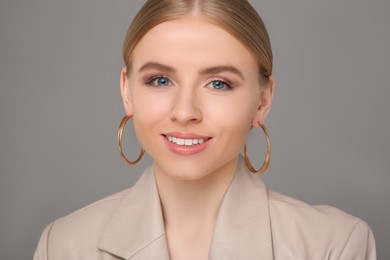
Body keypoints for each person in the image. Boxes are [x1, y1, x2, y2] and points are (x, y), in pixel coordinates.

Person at [33, 0, 376, 259]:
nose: (185, 112)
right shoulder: (63, 245)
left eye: (218, 84)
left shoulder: (334, 245)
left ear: (262, 100)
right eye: (161, 80)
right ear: (127, 91)